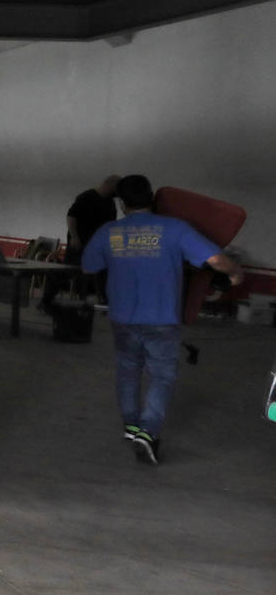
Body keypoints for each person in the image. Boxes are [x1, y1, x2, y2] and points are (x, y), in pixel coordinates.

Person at [82, 174, 242, 464]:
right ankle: (148, 432)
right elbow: (217, 261)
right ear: (152, 196)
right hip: (161, 319)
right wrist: (235, 273)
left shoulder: (109, 232)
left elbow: (88, 266)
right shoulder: (175, 228)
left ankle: (131, 427)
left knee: (128, 371)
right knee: (162, 375)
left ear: (121, 203)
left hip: (123, 317)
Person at [44, 175, 118, 308]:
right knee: (68, 271)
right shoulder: (87, 197)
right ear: (110, 185)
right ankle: (46, 301)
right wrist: (74, 237)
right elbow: (71, 217)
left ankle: (104, 300)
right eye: (116, 190)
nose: (117, 194)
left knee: (104, 271)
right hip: (80, 244)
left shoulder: (110, 203)